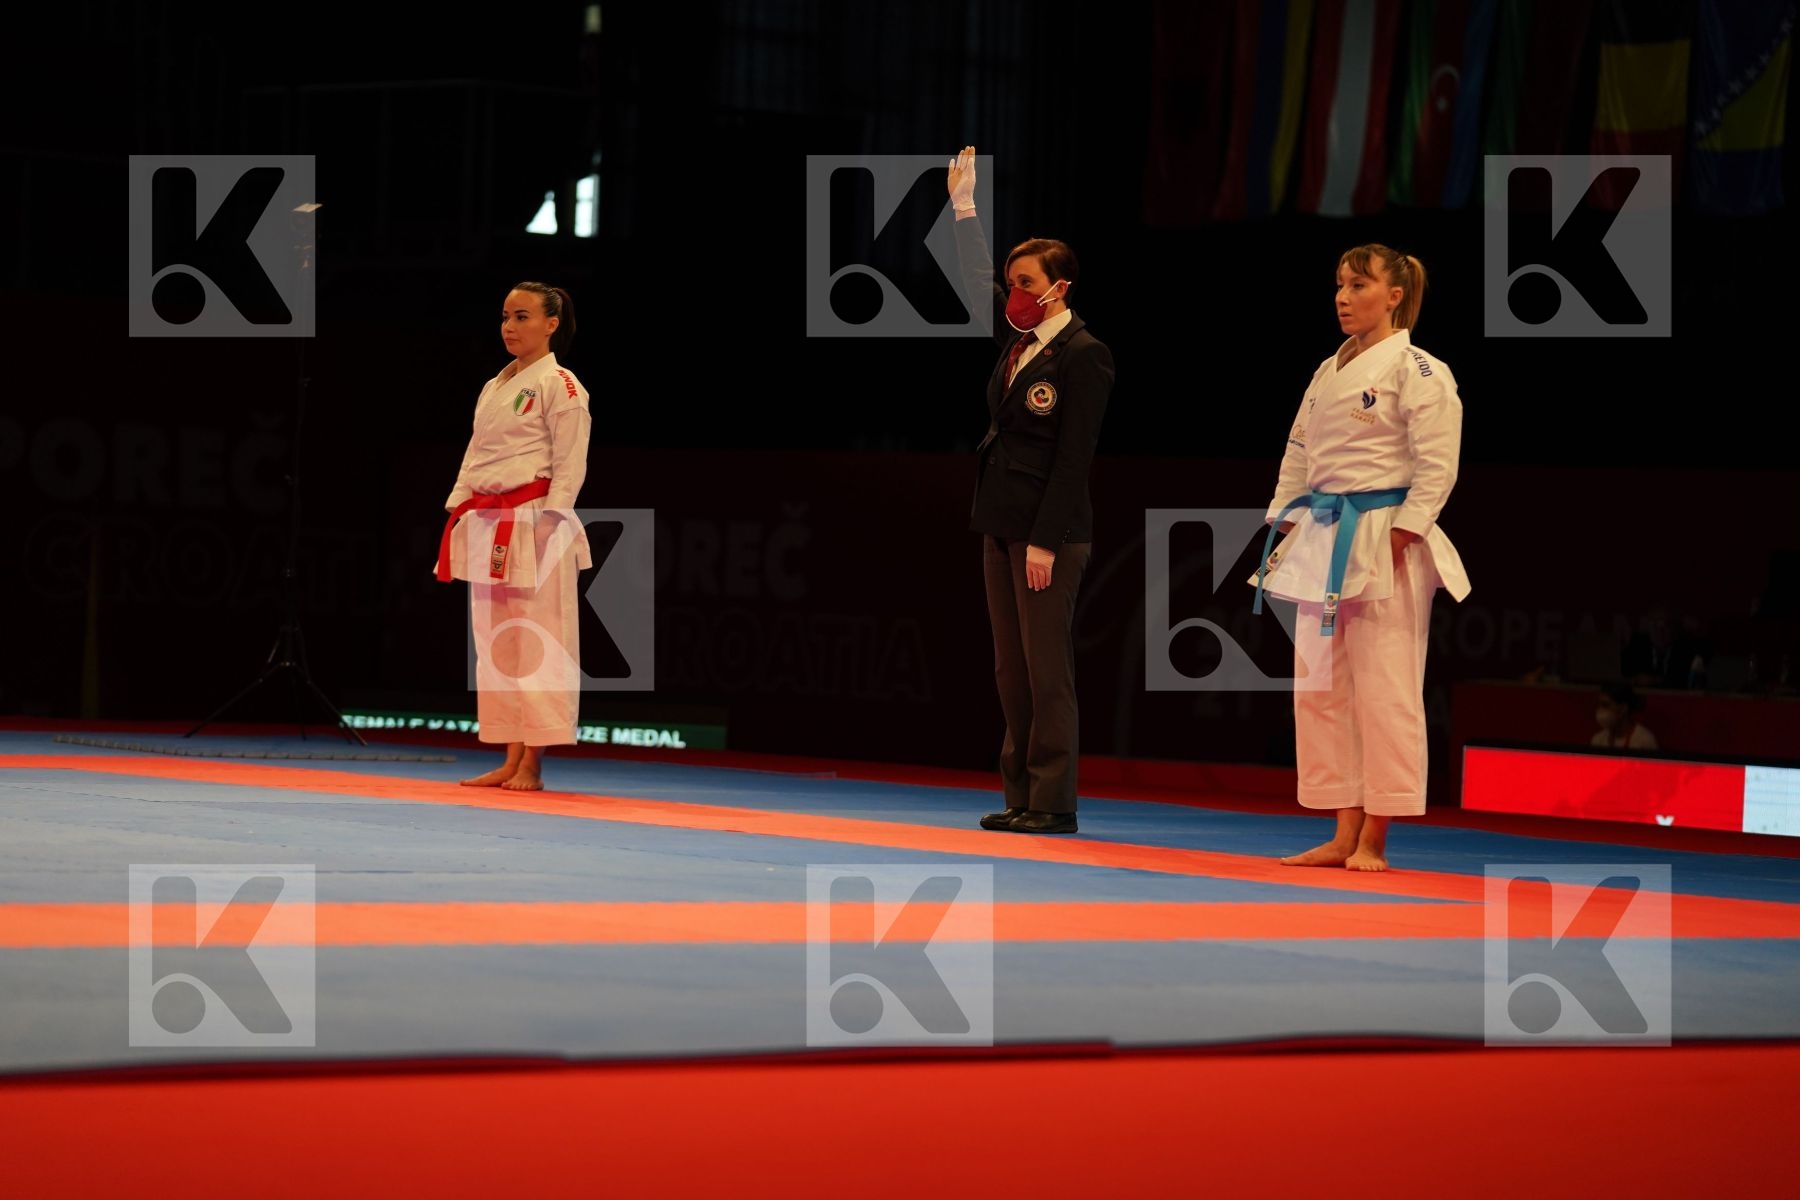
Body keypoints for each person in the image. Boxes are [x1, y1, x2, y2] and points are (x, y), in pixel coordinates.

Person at [1249, 245, 1470, 871]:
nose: (1343, 297)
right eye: (1339, 285)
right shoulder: (1327, 370)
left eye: (1358, 285)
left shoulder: (1420, 370)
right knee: (1320, 689)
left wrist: (1405, 532)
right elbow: (1298, 452)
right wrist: (1286, 523)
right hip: (1322, 532)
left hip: (1383, 533)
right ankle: (1343, 832)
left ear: (1394, 295)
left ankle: (1375, 837)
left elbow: (1438, 465)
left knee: (1386, 687)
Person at [947, 146, 1114, 835]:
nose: (1011, 291)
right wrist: (963, 209)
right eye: (1011, 280)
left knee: (1048, 673)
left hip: (1051, 534)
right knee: (1010, 671)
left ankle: (1054, 802)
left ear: (1059, 287)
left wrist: (1045, 540)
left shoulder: (1084, 355)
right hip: (1000, 524)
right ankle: (1019, 793)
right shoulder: (1016, 344)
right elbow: (970, 278)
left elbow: (1075, 459)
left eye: (1025, 281)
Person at [434, 282, 593, 790]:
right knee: (498, 643)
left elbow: (570, 466)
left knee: (540, 641)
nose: (509, 326)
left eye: (522, 316)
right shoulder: (493, 387)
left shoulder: (562, 385)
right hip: (489, 521)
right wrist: (459, 504)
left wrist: (551, 523)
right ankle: (509, 755)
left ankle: (533, 763)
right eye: (505, 316)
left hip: (534, 520)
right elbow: (476, 454)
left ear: (551, 324)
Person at [1591, 681, 1659, 751]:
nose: (1599, 710)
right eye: (1598, 705)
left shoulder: (1644, 740)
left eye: (1605, 705)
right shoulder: (1598, 740)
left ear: (1623, 708)